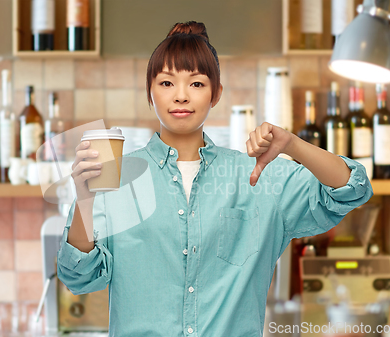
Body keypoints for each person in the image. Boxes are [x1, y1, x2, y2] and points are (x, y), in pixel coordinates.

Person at [57, 21, 373, 337]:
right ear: (149, 93)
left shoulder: (259, 176)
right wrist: (84, 198)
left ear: (216, 94)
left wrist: (291, 143)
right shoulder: (117, 178)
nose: (180, 96)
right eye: (166, 83)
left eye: (196, 84)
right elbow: (79, 277)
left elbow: (352, 189)